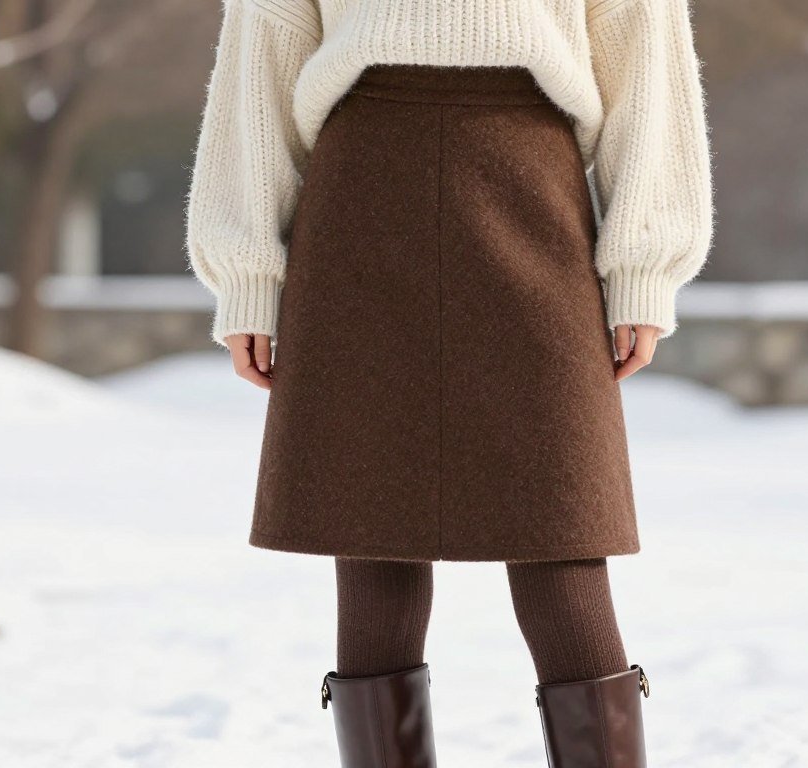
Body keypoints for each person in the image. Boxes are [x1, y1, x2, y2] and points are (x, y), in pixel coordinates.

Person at [185, 0, 712, 764]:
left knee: (562, 527)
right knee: (370, 530)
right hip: (360, 190)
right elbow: (258, 65)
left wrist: (643, 267)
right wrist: (246, 274)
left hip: (534, 187)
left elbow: (644, 54)